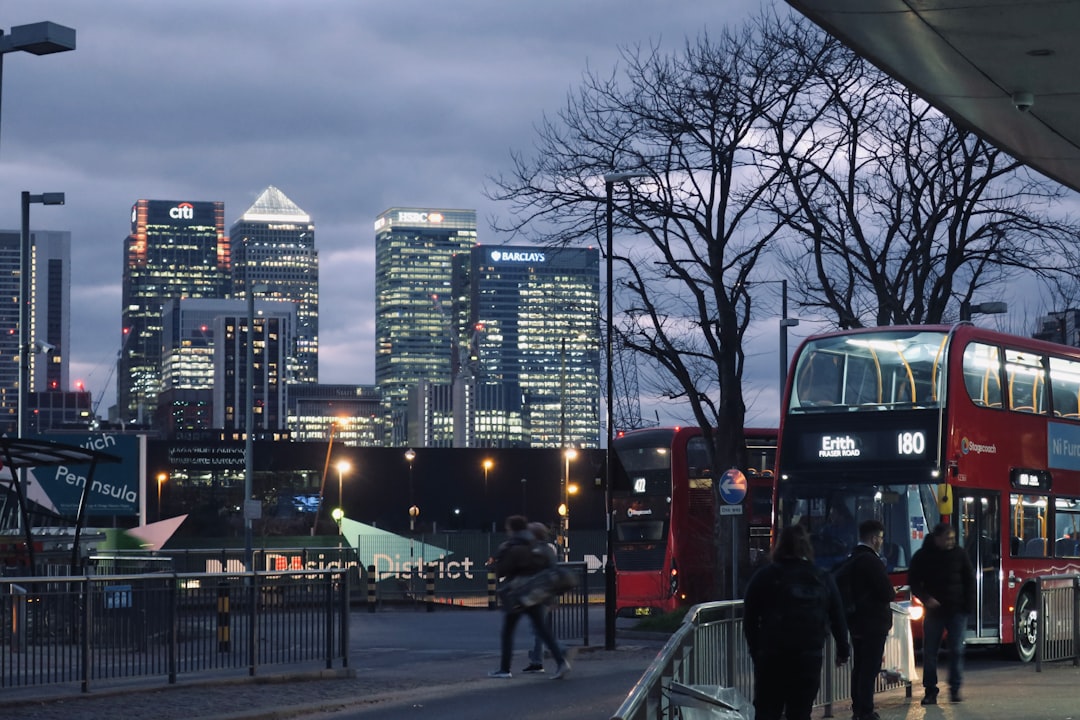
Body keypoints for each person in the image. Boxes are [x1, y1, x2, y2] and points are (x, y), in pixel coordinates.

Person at [743, 524, 850, 720]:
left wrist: (756, 651)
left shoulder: (765, 576)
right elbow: (837, 616)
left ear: (780, 546)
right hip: (808, 656)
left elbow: (749, 617)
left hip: (772, 656)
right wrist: (843, 650)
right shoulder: (822, 577)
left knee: (768, 710)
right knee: (800, 711)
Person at [487, 515, 571, 680]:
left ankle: (505, 669)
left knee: (508, 632)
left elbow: (501, 571)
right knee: (542, 629)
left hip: (517, 594)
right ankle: (561, 662)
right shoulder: (538, 545)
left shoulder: (513, 547)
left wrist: (495, 564)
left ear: (511, 529)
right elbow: (550, 569)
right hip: (536, 594)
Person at [908, 522, 976, 705]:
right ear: (937, 539)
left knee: (956, 650)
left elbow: (969, 579)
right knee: (930, 652)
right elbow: (913, 581)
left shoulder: (960, 554)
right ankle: (931, 690)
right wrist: (926, 599)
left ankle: (955, 688)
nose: (951, 542)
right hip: (934, 611)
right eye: (947, 538)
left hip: (957, 610)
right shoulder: (923, 556)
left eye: (953, 538)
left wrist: (967, 606)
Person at [845, 519, 896, 720]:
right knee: (869, 668)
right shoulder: (871, 561)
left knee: (859, 667)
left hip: (856, 621)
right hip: (873, 623)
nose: (882, 542)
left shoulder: (852, 557)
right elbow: (886, 592)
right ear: (874, 538)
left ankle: (858, 708)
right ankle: (865, 710)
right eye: (881, 538)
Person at [523, 521, 564, 674]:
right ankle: (537, 661)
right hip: (539, 595)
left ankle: (561, 652)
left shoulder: (540, 550)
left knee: (539, 630)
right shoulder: (543, 549)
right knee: (538, 630)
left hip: (540, 596)